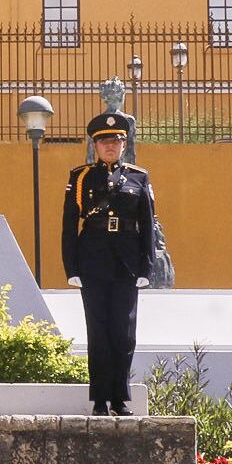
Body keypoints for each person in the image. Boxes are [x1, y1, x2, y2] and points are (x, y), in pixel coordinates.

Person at [63, 114, 156, 416]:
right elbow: (69, 226)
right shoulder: (80, 178)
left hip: (126, 264)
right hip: (93, 262)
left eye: (115, 140)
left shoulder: (139, 177)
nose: (109, 146)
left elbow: (147, 226)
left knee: (125, 333)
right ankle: (101, 400)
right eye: (104, 141)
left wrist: (146, 268)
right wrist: (72, 268)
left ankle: (120, 398)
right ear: (95, 145)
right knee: (98, 331)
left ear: (124, 144)